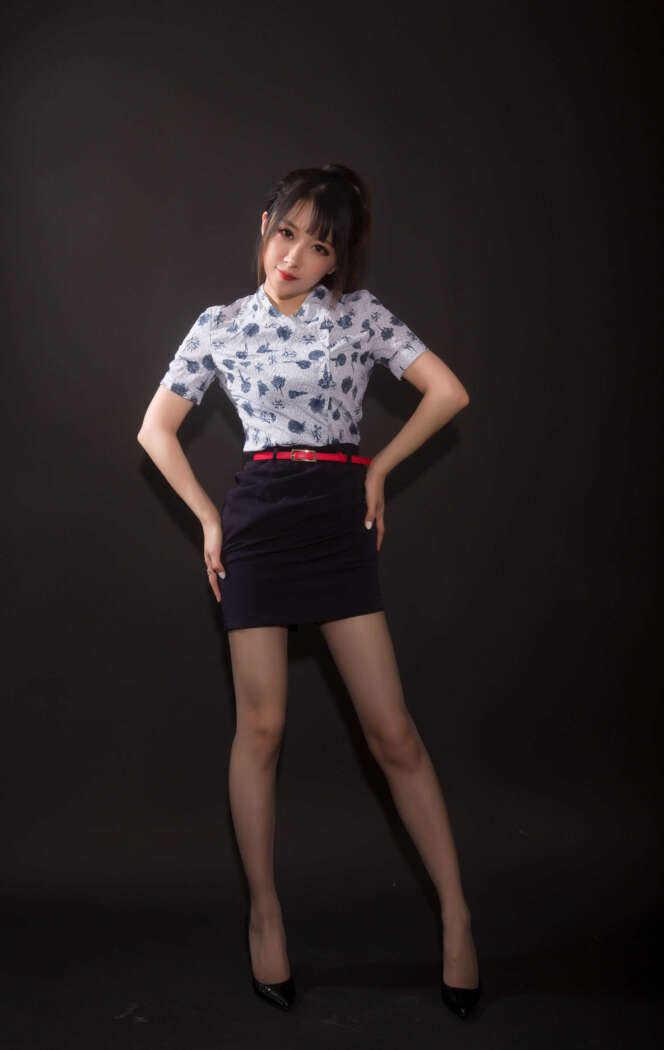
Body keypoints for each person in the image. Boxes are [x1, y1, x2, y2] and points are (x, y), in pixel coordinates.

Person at [136, 163, 480, 1019]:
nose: (294, 257)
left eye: (319, 247)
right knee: (260, 728)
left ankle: (457, 917)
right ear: (265, 226)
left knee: (392, 732)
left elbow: (448, 392)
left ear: (338, 261)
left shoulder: (359, 317)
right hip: (257, 523)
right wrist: (209, 520)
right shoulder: (220, 325)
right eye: (286, 233)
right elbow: (155, 430)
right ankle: (265, 915)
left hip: (335, 517)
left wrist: (379, 470)